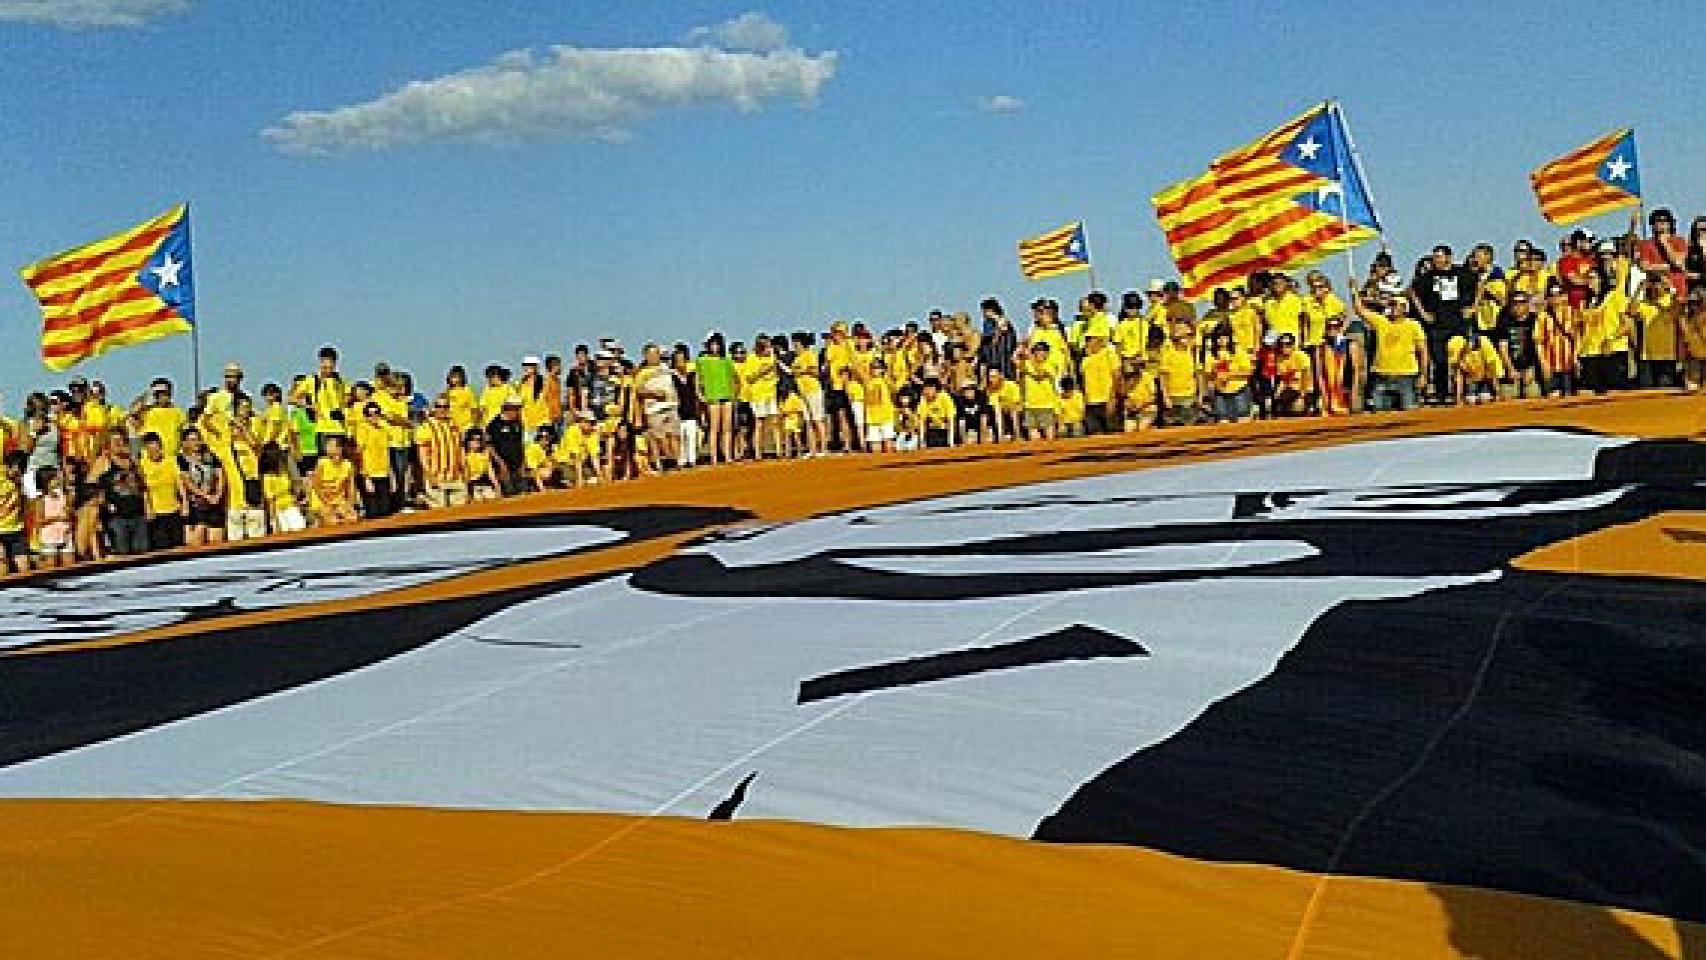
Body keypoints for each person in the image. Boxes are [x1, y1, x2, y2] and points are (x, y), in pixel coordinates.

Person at [1410, 244, 1478, 403]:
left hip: (1458, 323)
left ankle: (1462, 392)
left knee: (1460, 359)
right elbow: (1412, 291)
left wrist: (1473, 307)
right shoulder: (1427, 277)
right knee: (1440, 361)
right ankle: (1442, 394)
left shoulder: (1462, 273)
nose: (1436, 260)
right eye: (1434, 257)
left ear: (1448, 257)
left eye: (1439, 257)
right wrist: (1423, 313)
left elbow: (1478, 285)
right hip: (1437, 325)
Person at [1353, 289, 1429, 412]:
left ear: (1404, 309)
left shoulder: (1414, 325)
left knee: (1409, 412)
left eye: (1395, 305)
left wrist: (1423, 375)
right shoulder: (1381, 321)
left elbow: (1423, 351)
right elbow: (1359, 310)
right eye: (1391, 305)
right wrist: (1353, 290)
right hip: (1382, 375)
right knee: (1380, 413)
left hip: (1406, 376)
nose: (1392, 308)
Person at [96, 432, 148, 556]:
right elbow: (92, 483)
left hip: (138, 513)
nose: (119, 444)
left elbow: (142, 483)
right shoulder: (104, 462)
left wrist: (147, 506)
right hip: (117, 517)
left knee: (142, 553)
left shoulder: (131, 461)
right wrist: (105, 504)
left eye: (121, 440)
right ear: (108, 445)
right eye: (115, 441)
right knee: (122, 554)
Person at [291, 346, 348, 457]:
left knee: (340, 464)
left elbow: (347, 397)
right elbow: (292, 398)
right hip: (323, 428)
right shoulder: (312, 380)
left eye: (331, 366)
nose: (328, 369)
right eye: (325, 366)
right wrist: (309, 406)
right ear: (320, 362)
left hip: (340, 428)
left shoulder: (340, 380)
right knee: (325, 463)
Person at [632, 344, 681, 469]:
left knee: (674, 435)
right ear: (646, 356)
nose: (654, 357)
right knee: (659, 437)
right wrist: (653, 393)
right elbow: (638, 390)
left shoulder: (666, 367)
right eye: (651, 354)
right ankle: (664, 462)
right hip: (654, 408)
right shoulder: (642, 372)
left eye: (656, 353)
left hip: (671, 405)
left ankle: (677, 462)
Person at [1630, 273, 1682, 389]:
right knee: (1645, 392)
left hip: (1667, 356)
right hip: (1647, 356)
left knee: (1666, 392)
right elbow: (1631, 311)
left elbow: (1678, 310)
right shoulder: (1644, 304)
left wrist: (1671, 288)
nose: (1655, 287)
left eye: (1658, 283)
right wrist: (1639, 289)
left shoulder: (1670, 301)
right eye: (1653, 284)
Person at [416, 395, 468, 508]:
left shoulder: (454, 425)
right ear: (434, 408)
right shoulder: (426, 427)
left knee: (459, 513)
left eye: (445, 406)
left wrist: (465, 470)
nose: (442, 409)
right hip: (436, 477)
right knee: (438, 513)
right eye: (439, 406)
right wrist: (429, 475)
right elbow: (423, 454)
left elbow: (460, 449)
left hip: (455, 477)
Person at [177, 427, 226, 547]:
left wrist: (218, 494)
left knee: (216, 541)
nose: (196, 443)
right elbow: (187, 482)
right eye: (192, 440)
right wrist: (206, 496)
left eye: (198, 439)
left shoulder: (210, 456)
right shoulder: (182, 459)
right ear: (185, 443)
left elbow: (220, 475)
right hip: (196, 505)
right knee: (197, 542)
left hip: (214, 503)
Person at [695, 334, 738, 465]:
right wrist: (700, 395)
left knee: (727, 428)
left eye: (717, 344)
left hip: (727, 395)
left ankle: (728, 456)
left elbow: (734, 378)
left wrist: (734, 393)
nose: (715, 347)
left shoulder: (726, 360)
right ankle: (714, 457)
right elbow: (698, 379)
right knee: (714, 428)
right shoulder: (702, 360)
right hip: (712, 396)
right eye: (712, 344)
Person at [1492, 290, 1543, 399]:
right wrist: (1510, 369)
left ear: (1528, 304)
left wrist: (1531, 370)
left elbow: (1538, 347)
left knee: (1533, 394)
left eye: (1522, 302)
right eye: (1515, 303)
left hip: (1529, 366)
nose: (1518, 306)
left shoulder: (1535, 320)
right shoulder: (1503, 320)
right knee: (1507, 397)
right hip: (1509, 366)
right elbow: (1503, 348)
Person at [138, 431, 183, 550]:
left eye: (156, 449)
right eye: (151, 450)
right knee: (161, 547)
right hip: (156, 512)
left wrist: (185, 502)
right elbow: (143, 488)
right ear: (146, 449)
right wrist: (148, 508)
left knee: (177, 545)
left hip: (174, 509)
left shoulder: (171, 460)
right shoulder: (142, 464)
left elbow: (179, 482)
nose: (155, 453)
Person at [1535, 283, 1580, 397]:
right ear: (1547, 298)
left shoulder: (1572, 313)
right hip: (1551, 365)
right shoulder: (1542, 316)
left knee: (1569, 396)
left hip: (1568, 364)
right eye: (1552, 295)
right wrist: (1543, 364)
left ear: (1564, 296)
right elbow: (1539, 342)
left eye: (1558, 294)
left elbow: (1577, 337)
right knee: (1553, 396)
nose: (1556, 298)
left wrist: (1575, 358)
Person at [353, 401, 395, 518]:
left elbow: (387, 454)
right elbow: (359, 454)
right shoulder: (362, 429)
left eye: (376, 413)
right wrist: (366, 478)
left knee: (386, 511)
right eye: (370, 414)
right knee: (372, 513)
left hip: (384, 474)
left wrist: (392, 477)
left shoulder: (383, 430)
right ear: (365, 416)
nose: (374, 416)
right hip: (369, 475)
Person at [1156, 321, 1201, 426]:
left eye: (1190, 336)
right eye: (1185, 336)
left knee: (1189, 427)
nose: (1188, 339)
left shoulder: (1193, 352)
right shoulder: (1168, 352)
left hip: (1189, 396)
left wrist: (1200, 396)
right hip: (1173, 396)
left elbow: (1198, 374)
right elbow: (1163, 377)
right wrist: (1166, 397)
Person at [1637, 208, 1689, 298]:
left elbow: (1680, 263)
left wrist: (1664, 242)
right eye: (1658, 220)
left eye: (1665, 220)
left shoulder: (1679, 241)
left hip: (1679, 288)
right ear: (1652, 225)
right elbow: (1644, 267)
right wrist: (1666, 267)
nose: (1662, 223)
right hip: (1656, 290)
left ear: (1670, 224)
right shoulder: (1646, 244)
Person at [1205, 328, 1254, 423]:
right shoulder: (1211, 354)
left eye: (1225, 337)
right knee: (1223, 421)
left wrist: (1230, 375)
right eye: (1219, 338)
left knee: (1243, 420)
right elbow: (1208, 375)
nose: (1222, 340)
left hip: (1239, 392)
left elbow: (1249, 371)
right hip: (1220, 393)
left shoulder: (1237, 351)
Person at [308, 435, 360, 526]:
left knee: (353, 518)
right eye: (327, 445)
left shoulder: (348, 465)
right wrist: (328, 504)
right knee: (332, 521)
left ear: (339, 449)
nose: (327, 448)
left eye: (330, 446)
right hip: (322, 500)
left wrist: (349, 505)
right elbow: (316, 486)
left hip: (339, 500)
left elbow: (351, 487)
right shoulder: (322, 462)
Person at [31, 465, 74, 569]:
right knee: (51, 566)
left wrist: (69, 512)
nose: (58, 479)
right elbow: (39, 521)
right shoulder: (41, 500)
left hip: (65, 535)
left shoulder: (63, 496)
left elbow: (70, 512)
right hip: (49, 538)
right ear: (46, 481)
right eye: (55, 478)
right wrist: (57, 518)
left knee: (70, 565)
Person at [259, 443, 306, 534]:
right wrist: (273, 519)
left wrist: (296, 502)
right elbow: (270, 500)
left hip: (291, 506)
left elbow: (296, 487)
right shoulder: (267, 477)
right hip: (279, 511)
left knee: (300, 531)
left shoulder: (284, 472)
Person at [485, 396, 527, 495]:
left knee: (522, 493)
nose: (517, 412)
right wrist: (500, 463)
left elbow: (520, 443)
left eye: (518, 409)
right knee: (509, 493)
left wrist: (523, 462)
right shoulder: (494, 424)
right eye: (515, 409)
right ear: (507, 408)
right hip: (502, 467)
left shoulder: (518, 423)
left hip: (517, 465)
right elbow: (490, 447)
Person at [0, 451, 30, 574]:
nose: (18, 473)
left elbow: (24, 504)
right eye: (16, 470)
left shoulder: (20, 481)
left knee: (24, 567)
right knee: (2, 567)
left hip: (16, 530)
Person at [463, 430, 503, 500]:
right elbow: (466, 475)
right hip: (471, 484)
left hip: (484, 483)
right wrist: (467, 491)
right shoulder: (465, 455)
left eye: (479, 439)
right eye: (474, 440)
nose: (477, 442)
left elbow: (490, 471)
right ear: (468, 442)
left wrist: (497, 486)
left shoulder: (485, 453)